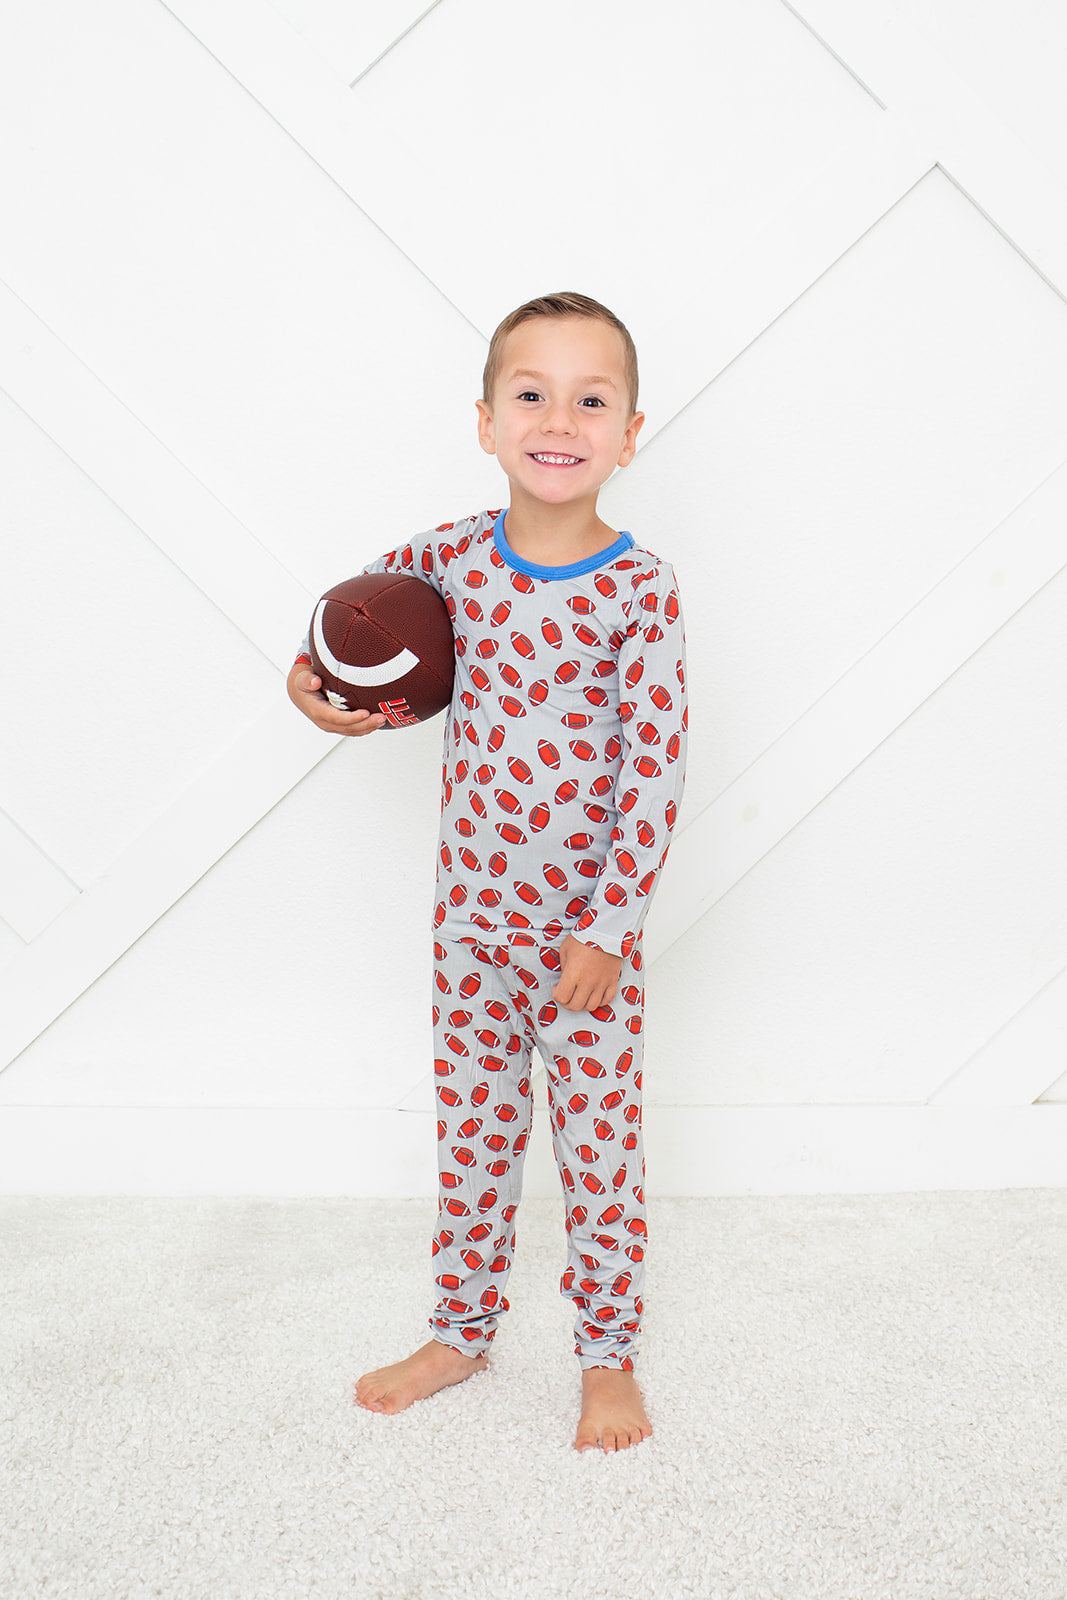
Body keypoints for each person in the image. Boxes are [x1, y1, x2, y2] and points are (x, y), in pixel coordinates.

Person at [287, 291, 687, 1453]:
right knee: (472, 1139)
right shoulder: (450, 557)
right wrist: (311, 686)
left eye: (590, 400)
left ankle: (606, 1355)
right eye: (530, 394)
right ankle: (459, 1331)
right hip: (468, 928)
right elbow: (349, 621)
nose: (558, 420)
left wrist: (608, 928)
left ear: (629, 432)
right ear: (484, 422)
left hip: (583, 943)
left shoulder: (639, 588)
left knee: (597, 1153)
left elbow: (654, 766)